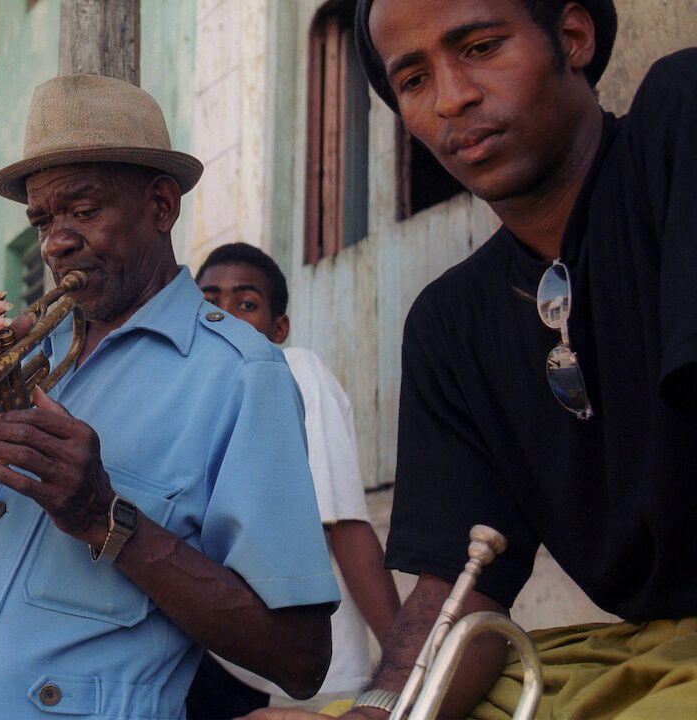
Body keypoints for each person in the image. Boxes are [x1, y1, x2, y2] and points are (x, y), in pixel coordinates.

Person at [246, 1, 697, 719]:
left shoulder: (681, 120)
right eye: (414, 80)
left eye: (482, 46)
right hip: (650, 650)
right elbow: (462, 592)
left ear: (573, 38)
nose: (452, 98)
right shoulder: (449, 324)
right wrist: (374, 714)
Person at [0, 73, 340, 719]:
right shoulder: (24, 359)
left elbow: (300, 660)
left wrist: (102, 516)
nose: (55, 242)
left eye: (84, 212)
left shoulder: (241, 373)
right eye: (42, 220)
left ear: (161, 207)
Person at [190, 243, 401, 716]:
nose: (223, 316)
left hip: (281, 668)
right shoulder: (189, 393)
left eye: (246, 304)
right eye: (208, 302)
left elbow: (344, 526)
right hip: (204, 648)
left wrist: (414, 672)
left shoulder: (295, 371)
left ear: (278, 329)